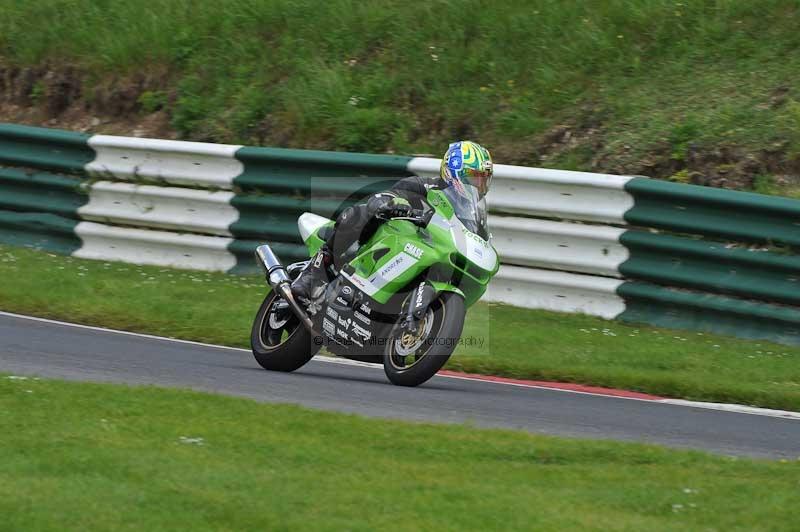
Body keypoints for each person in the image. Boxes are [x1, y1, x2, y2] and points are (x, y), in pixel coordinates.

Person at [291, 140, 494, 301]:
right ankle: (316, 271)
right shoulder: (426, 187)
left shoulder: (470, 212)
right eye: (475, 177)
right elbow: (394, 191)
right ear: (455, 171)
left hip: (429, 254)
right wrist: (389, 201)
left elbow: (476, 234)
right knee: (359, 213)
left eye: (483, 179)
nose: (479, 184)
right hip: (394, 237)